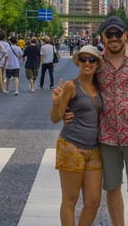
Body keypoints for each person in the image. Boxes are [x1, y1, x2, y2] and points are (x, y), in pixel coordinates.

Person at [76, 16, 128, 226]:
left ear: (125, 35)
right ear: (103, 37)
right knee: (112, 187)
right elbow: (84, 90)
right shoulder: (97, 62)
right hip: (107, 136)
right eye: (109, 34)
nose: (114, 38)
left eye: (118, 34)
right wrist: (67, 109)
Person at [51, 45, 104, 226]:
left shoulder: (99, 86)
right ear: (78, 62)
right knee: (70, 199)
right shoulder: (71, 85)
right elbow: (55, 118)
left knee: (93, 201)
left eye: (92, 60)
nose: (87, 63)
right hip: (71, 146)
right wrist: (57, 103)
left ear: (97, 64)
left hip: (94, 148)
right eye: (83, 59)